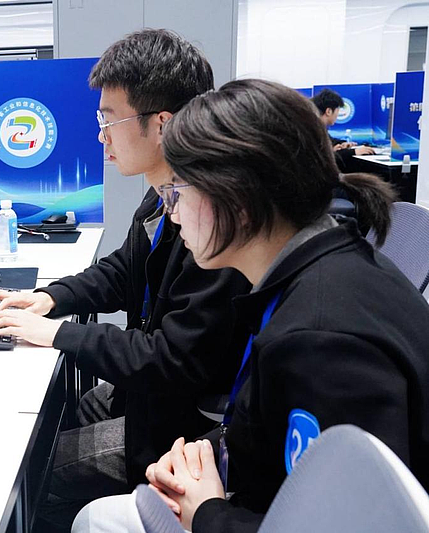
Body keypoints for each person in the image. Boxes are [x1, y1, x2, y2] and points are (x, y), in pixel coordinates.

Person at [73, 79, 429, 533]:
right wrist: (206, 451)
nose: (173, 212)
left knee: (94, 520)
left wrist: (207, 511)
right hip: (250, 487)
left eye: (178, 192)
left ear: (238, 201)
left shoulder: (319, 340)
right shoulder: (317, 266)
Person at [0, 29, 251, 530]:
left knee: (33, 473)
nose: (102, 135)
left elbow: (175, 360)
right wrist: (48, 299)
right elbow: (124, 269)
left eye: (110, 120)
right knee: (79, 406)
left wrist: (59, 335)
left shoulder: (210, 221)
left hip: (181, 427)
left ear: (162, 124)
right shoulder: (163, 192)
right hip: (152, 393)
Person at [311, 88, 375, 167]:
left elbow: (330, 140)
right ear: (329, 111)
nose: (337, 115)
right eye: (337, 111)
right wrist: (354, 152)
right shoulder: (313, 130)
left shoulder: (317, 126)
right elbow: (323, 157)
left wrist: (342, 143)